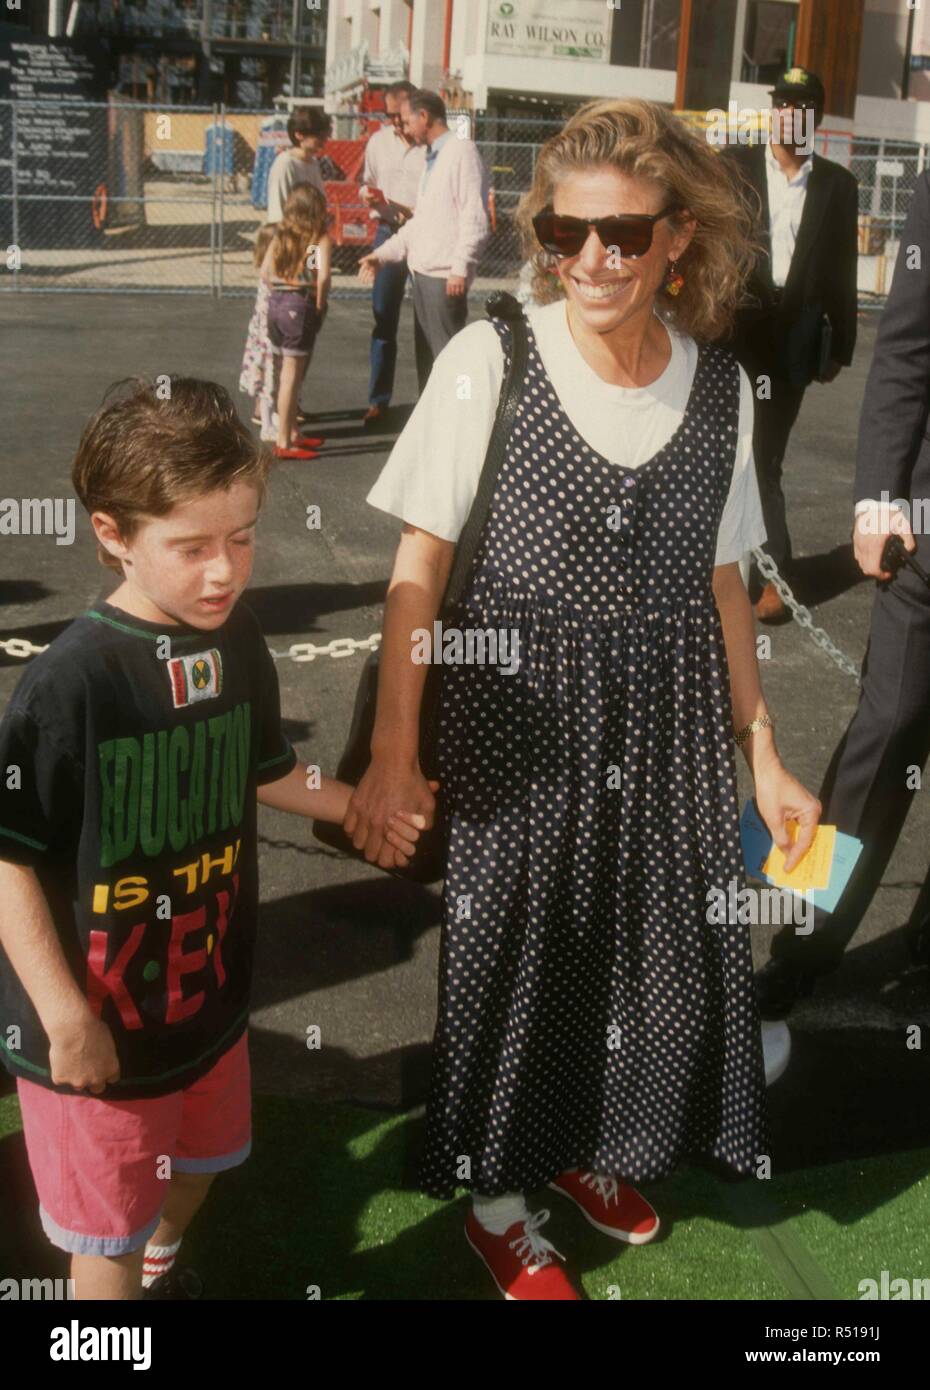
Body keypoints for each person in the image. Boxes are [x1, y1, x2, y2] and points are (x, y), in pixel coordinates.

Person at [350, 98, 821, 1300]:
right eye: (565, 235)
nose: (593, 261)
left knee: (653, 959)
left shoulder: (724, 391)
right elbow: (418, 576)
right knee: (521, 960)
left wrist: (761, 754)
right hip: (519, 716)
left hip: (667, 720)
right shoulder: (486, 358)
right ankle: (501, 1197)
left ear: (680, 238)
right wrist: (396, 757)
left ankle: (593, 1149)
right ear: (541, 237)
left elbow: (724, 585)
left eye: (623, 235)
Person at [0, 379, 424, 1300]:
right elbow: (7, 856)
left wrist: (357, 803)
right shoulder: (69, 684)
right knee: (100, 1242)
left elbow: (266, 769)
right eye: (191, 547)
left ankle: (163, 1260)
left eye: (241, 537)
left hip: (209, 1009)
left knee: (202, 1165)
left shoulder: (234, 641)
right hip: (99, 1039)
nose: (226, 572)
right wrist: (67, 1017)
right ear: (112, 532)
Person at [756, 167, 930, 1017]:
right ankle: (804, 939)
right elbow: (906, 349)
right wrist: (877, 498)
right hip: (925, 541)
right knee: (882, 740)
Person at [725, 68, 859, 623]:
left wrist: (841, 348)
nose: (788, 115)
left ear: (816, 118)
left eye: (801, 106)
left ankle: (772, 576)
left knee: (765, 457)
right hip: (734, 334)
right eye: (781, 104)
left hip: (792, 346)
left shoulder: (836, 185)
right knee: (723, 452)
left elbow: (842, 271)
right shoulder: (735, 166)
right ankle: (717, 571)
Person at [358, 89, 490, 390]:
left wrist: (460, 267)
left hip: (443, 277)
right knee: (429, 361)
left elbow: (475, 216)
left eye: (406, 122)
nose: (402, 129)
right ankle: (432, 426)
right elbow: (421, 224)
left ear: (424, 117)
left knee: (450, 360)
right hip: (425, 272)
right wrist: (381, 255)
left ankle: (460, 425)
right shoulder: (434, 158)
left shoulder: (461, 152)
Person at [360, 80, 426, 430]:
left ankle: (429, 403)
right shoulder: (378, 142)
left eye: (398, 116)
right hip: (387, 235)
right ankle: (378, 402)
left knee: (425, 323)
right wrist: (369, 197)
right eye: (387, 116)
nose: (393, 124)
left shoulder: (430, 148)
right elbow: (367, 180)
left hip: (423, 238)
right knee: (383, 320)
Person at [260, 184, 330, 460]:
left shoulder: (281, 235)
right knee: (292, 375)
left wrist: (285, 280)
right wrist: (319, 304)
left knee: (285, 373)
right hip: (299, 306)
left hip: (276, 304)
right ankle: (284, 442)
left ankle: (291, 432)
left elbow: (265, 272)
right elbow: (321, 276)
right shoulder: (317, 238)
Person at [239, 223, 279, 442]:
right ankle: (266, 421)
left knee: (269, 376)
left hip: (263, 332)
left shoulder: (268, 272)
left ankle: (269, 415)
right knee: (268, 376)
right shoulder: (270, 274)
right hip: (267, 334)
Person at [265, 107, 331, 226]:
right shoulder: (285, 164)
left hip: (311, 238)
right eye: (320, 136)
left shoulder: (313, 163)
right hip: (291, 238)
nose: (325, 140)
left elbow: (320, 205)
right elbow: (277, 215)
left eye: (326, 136)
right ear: (299, 135)